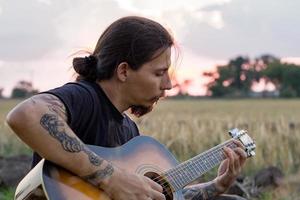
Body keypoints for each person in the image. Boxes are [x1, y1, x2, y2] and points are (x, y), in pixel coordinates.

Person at [6, 16, 247, 200]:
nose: (169, 85)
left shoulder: (130, 135)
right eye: (159, 73)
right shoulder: (86, 97)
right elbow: (27, 114)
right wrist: (110, 178)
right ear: (123, 71)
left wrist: (217, 185)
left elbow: (154, 193)